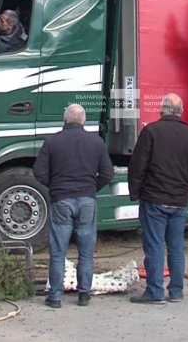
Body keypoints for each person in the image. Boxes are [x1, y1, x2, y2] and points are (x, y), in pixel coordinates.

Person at [33, 104, 113, 309]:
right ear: (84, 121)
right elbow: (107, 173)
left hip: (61, 199)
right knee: (85, 251)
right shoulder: (96, 142)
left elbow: (38, 172)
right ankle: (84, 294)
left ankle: (55, 297)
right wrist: (92, 188)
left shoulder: (52, 141)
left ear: (65, 119)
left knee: (58, 252)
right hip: (87, 200)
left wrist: (55, 186)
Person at [128, 93, 188, 304]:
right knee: (176, 247)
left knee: (154, 246)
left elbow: (138, 166)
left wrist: (135, 192)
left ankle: (155, 291)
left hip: (154, 199)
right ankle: (176, 291)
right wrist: (186, 193)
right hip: (179, 201)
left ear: (162, 110)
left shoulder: (151, 131)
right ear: (181, 111)